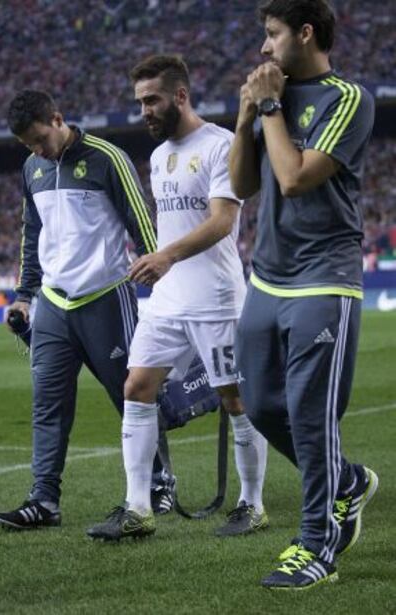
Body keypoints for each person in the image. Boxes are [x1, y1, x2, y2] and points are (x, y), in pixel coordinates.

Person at [87, 54, 268, 541]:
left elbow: (221, 222)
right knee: (136, 389)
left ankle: (252, 504)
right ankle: (139, 509)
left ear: (181, 96)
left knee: (235, 399)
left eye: (152, 100)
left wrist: (165, 256)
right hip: (166, 300)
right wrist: (163, 264)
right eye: (140, 102)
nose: (144, 110)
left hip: (215, 298)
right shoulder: (160, 156)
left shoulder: (220, 146)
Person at [229, 0, 378, 590]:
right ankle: (346, 480)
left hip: (325, 278)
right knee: (262, 406)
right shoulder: (273, 98)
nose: (264, 48)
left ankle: (317, 545)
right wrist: (246, 118)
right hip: (267, 276)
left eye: (272, 34)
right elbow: (244, 185)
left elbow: (292, 179)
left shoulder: (348, 99)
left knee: (310, 418)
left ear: (306, 33)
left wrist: (268, 106)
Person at [0, 89, 174, 531]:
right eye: (27, 145)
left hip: (106, 297)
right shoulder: (33, 167)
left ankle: (159, 484)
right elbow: (31, 232)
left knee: (133, 394)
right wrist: (23, 293)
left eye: (39, 139)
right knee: (47, 405)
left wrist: (163, 276)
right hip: (54, 303)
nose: (36, 150)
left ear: (57, 118)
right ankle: (44, 501)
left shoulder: (107, 158)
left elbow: (140, 219)